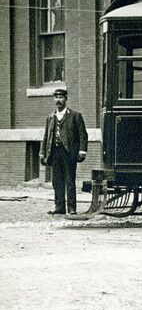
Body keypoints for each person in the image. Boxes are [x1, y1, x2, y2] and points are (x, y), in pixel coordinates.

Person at [40, 87, 89, 215]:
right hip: (54, 152)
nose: (58, 100)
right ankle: (59, 207)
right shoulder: (50, 117)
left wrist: (82, 151)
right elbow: (46, 136)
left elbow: (83, 135)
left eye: (61, 97)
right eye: (56, 97)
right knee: (57, 181)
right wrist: (42, 153)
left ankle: (72, 208)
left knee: (70, 181)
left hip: (69, 153)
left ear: (66, 99)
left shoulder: (75, 115)